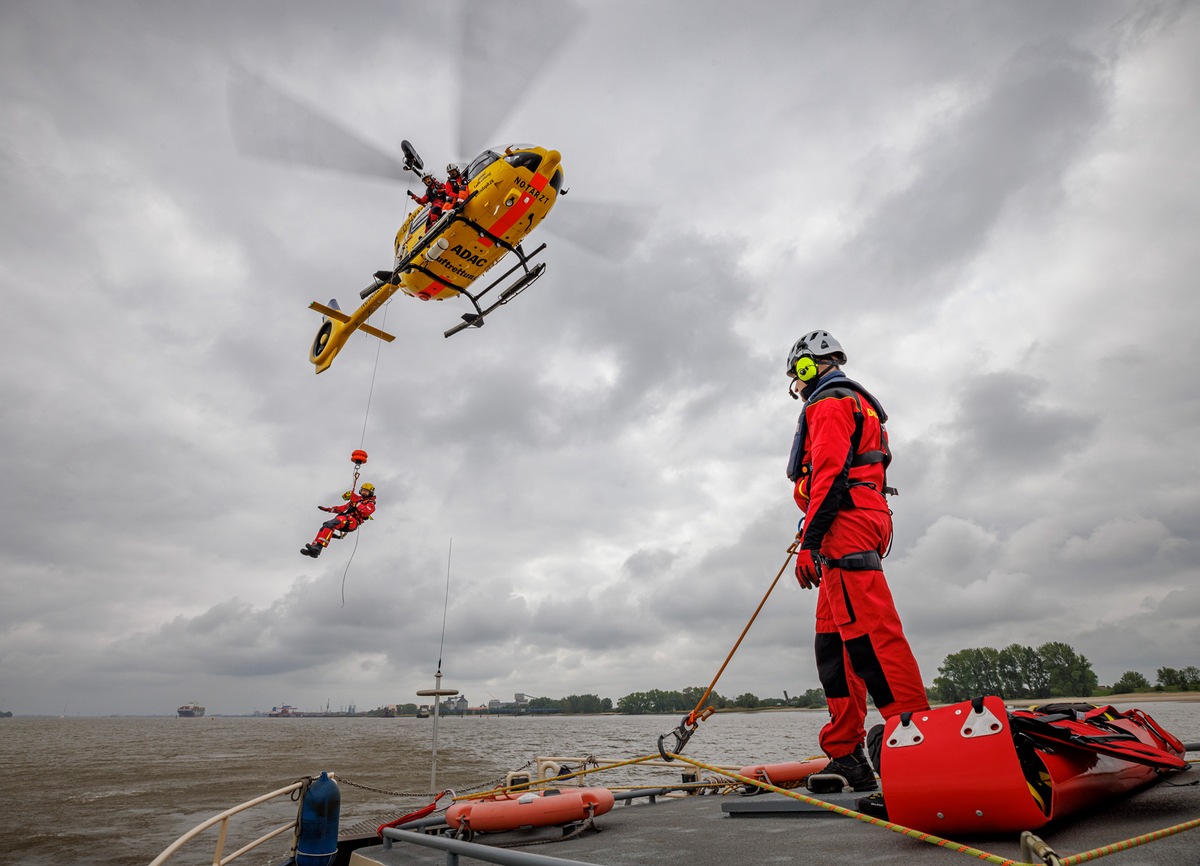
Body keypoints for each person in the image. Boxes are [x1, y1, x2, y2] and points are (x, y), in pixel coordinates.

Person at [784, 329, 928, 815]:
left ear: (809, 368)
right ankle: (846, 754)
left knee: (873, 640)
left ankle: (918, 756)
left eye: (798, 373)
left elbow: (827, 473)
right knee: (834, 644)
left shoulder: (828, 404)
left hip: (843, 527)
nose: (797, 384)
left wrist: (809, 540)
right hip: (844, 524)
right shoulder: (857, 404)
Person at [301, 483, 377, 557]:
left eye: (366, 491)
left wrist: (356, 503)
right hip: (344, 518)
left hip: (352, 522)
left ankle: (318, 548)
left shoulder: (370, 504)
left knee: (332, 524)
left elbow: (365, 512)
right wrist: (328, 509)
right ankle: (315, 546)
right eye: (363, 490)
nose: (364, 492)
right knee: (325, 525)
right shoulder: (356, 500)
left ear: (370, 492)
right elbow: (342, 508)